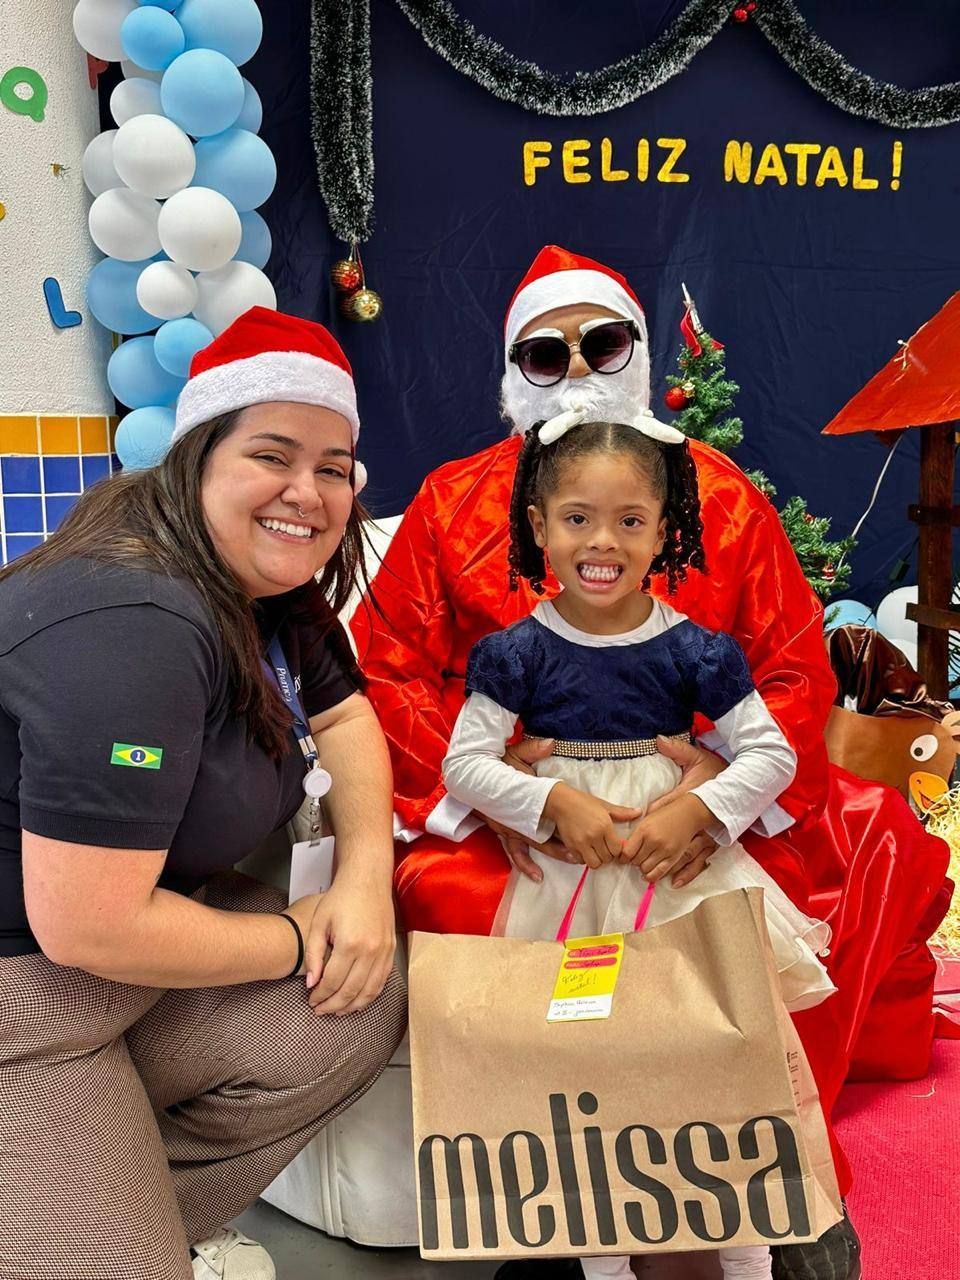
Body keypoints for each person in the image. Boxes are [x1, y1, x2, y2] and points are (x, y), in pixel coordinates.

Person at [352, 246, 952, 1280]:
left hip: (693, 794)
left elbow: (792, 674)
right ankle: (544, 1190)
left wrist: (710, 803)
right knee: (473, 897)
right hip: (519, 806)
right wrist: (518, 796)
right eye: (547, 351)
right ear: (513, 375)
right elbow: (390, 670)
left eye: (605, 340)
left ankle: (775, 1171)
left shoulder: (721, 499)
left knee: (811, 878)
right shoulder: (459, 501)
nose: (579, 363)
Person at [0, 307, 406, 1280]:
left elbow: (347, 719)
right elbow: (89, 926)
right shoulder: (134, 625)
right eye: (273, 453)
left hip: (119, 976)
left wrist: (363, 881)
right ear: (196, 458)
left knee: (354, 996)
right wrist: (302, 933)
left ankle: (99, 1188)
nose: (307, 492)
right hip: (29, 992)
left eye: (333, 466)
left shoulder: (267, 594)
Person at [442, 414, 836, 1280]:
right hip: (572, 886)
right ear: (540, 528)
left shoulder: (699, 650)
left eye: (630, 521)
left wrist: (702, 815)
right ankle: (605, 1262)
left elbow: (770, 752)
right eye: (577, 518)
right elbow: (464, 764)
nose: (603, 542)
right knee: (587, 1071)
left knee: (718, 1064)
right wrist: (549, 801)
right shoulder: (513, 654)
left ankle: (750, 1257)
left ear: (665, 532)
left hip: (679, 875)